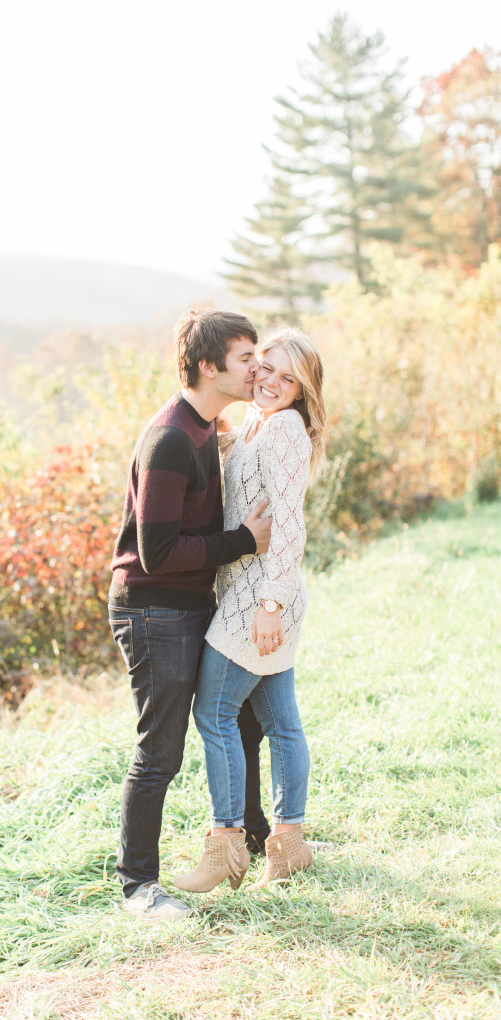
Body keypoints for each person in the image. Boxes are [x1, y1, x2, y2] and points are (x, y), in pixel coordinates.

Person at [108, 309, 274, 923]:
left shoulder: (210, 426)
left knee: (245, 718)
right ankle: (138, 887)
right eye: (245, 357)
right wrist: (242, 542)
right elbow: (157, 551)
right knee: (161, 751)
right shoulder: (171, 438)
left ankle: (256, 839)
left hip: (194, 603)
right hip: (153, 611)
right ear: (209, 367)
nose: (257, 366)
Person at [173, 326, 327, 894]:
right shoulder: (262, 423)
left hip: (259, 597)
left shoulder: (286, 428)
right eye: (267, 368)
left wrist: (268, 605)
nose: (272, 382)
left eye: (290, 379)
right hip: (259, 592)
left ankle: (226, 844)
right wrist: (216, 437)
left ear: (303, 390)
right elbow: (244, 477)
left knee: (213, 714)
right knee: (280, 721)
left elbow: (290, 527)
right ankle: (288, 844)